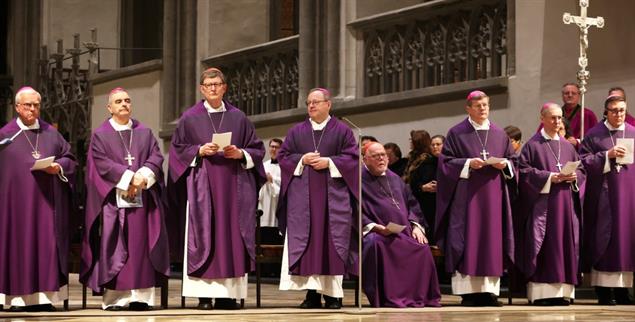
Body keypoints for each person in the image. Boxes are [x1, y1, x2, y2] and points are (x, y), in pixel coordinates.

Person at [168, 68, 266, 310]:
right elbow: (176, 151)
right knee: (204, 235)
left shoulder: (239, 117)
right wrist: (198, 151)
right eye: (208, 85)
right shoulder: (189, 118)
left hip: (235, 188)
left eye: (217, 84)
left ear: (224, 87)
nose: (212, 88)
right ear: (201, 89)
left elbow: (256, 149)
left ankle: (228, 296)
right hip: (203, 187)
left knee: (231, 236)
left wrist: (240, 153)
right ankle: (203, 296)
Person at [81, 88, 170, 311]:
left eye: (127, 101)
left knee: (141, 246)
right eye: (118, 101)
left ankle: (141, 297)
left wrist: (145, 175)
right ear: (109, 107)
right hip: (114, 202)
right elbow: (99, 164)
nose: (124, 104)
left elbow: (156, 157)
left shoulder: (145, 133)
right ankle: (116, 299)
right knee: (116, 246)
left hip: (143, 202)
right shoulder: (100, 135)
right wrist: (129, 177)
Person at [276, 87, 359, 309]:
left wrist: (330, 162)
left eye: (316, 102)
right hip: (303, 200)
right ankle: (311, 295)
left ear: (328, 104)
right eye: (309, 102)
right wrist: (302, 159)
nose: (311, 106)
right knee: (309, 244)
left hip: (333, 200)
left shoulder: (343, 131)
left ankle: (333, 296)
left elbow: (352, 158)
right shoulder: (296, 131)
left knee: (332, 244)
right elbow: (283, 157)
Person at [435, 90, 516, 307]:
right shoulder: (457, 133)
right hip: (468, 196)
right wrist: (468, 164)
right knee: (469, 237)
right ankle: (468, 292)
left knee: (491, 240)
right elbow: (445, 164)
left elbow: (513, 161)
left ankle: (490, 292)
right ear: (468, 108)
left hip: (494, 196)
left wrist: (504, 165)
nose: (483, 109)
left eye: (486, 105)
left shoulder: (500, 134)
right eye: (478, 105)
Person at [0, 86, 76, 312]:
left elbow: (70, 159)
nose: (32, 109)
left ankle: (45, 298)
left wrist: (58, 167)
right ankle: (17, 299)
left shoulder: (52, 134)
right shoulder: (5, 136)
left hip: (47, 207)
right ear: (17, 107)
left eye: (36, 105)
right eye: (27, 105)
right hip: (14, 210)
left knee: (46, 247)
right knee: (17, 249)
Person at [516, 103, 585, 306]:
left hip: (565, 206)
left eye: (560, 118)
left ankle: (562, 292)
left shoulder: (568, 146)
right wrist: (549, 178)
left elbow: (582, 171)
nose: (557, 122)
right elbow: (524, 172)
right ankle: (542, 294)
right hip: (543, 206)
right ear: (542, 119)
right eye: (553, 118)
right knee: (546, 245)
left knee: (564, 245)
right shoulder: (532, 145)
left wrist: (574, 177)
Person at [361, 141, 442, 308]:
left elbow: (413, 204)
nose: (381, 159)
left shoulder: (395, 179)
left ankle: (419, 297)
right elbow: (353, 211)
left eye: (383, 155)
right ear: (365, 159)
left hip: (403, 232)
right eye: (375, 156)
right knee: (375, 244)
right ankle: (387, 297)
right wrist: (373, 227)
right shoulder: (358, 180)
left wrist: (416, 226)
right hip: (377, 233)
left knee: (422, 247)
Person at [580, 95, 635, 305]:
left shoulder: (632, 133)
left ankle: (623, 292)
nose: (619, 114)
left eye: (622, 110)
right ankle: (604, 291)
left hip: (628, 198)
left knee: (625, 242)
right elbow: (583, 163)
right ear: (606, 112)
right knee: (605, 239)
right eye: (614, 110)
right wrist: (607, 155)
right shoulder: (594, 135)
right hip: (604, 197)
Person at [402, 130, 438, 243]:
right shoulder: (413, 158)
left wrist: (419, 187)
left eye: (412, 140)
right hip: (414, 196)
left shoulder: (428, 160)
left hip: (424, 201)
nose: (410, 142)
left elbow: (426, 184)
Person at [258, 138, 283, 236]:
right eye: (272, 147)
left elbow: (284, 185)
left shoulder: (284, 166)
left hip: (276, 202)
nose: (273, 149)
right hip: (264, 202)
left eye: (276, 147)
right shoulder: (263, 165)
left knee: (274, 231)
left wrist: (272, 180)